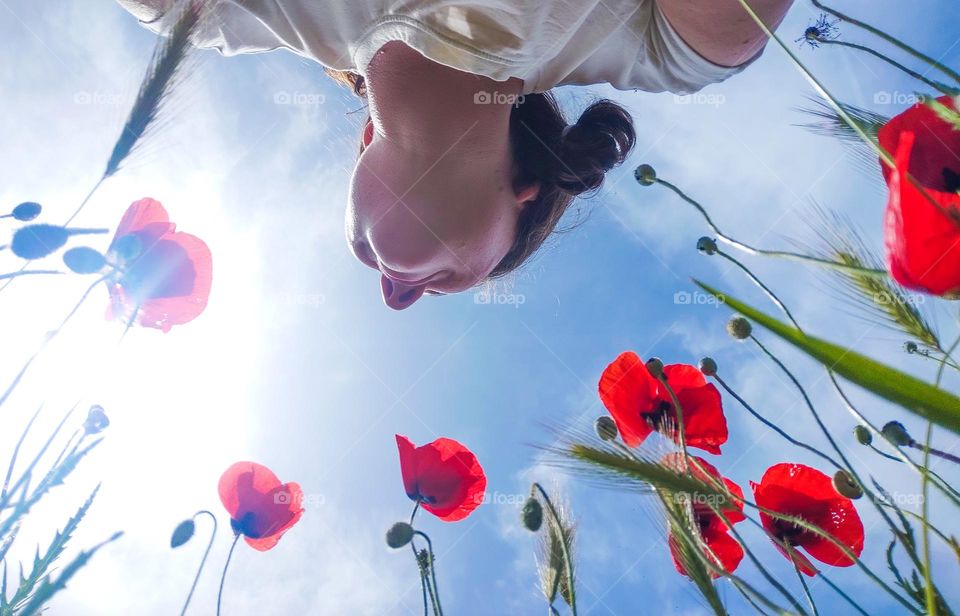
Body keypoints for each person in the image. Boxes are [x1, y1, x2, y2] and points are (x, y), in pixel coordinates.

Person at [118, 0, 794, 310]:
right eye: (457, 283)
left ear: (362, 148)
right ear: (528, 193)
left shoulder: (211, 14)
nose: (395, 295)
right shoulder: (657, 49)